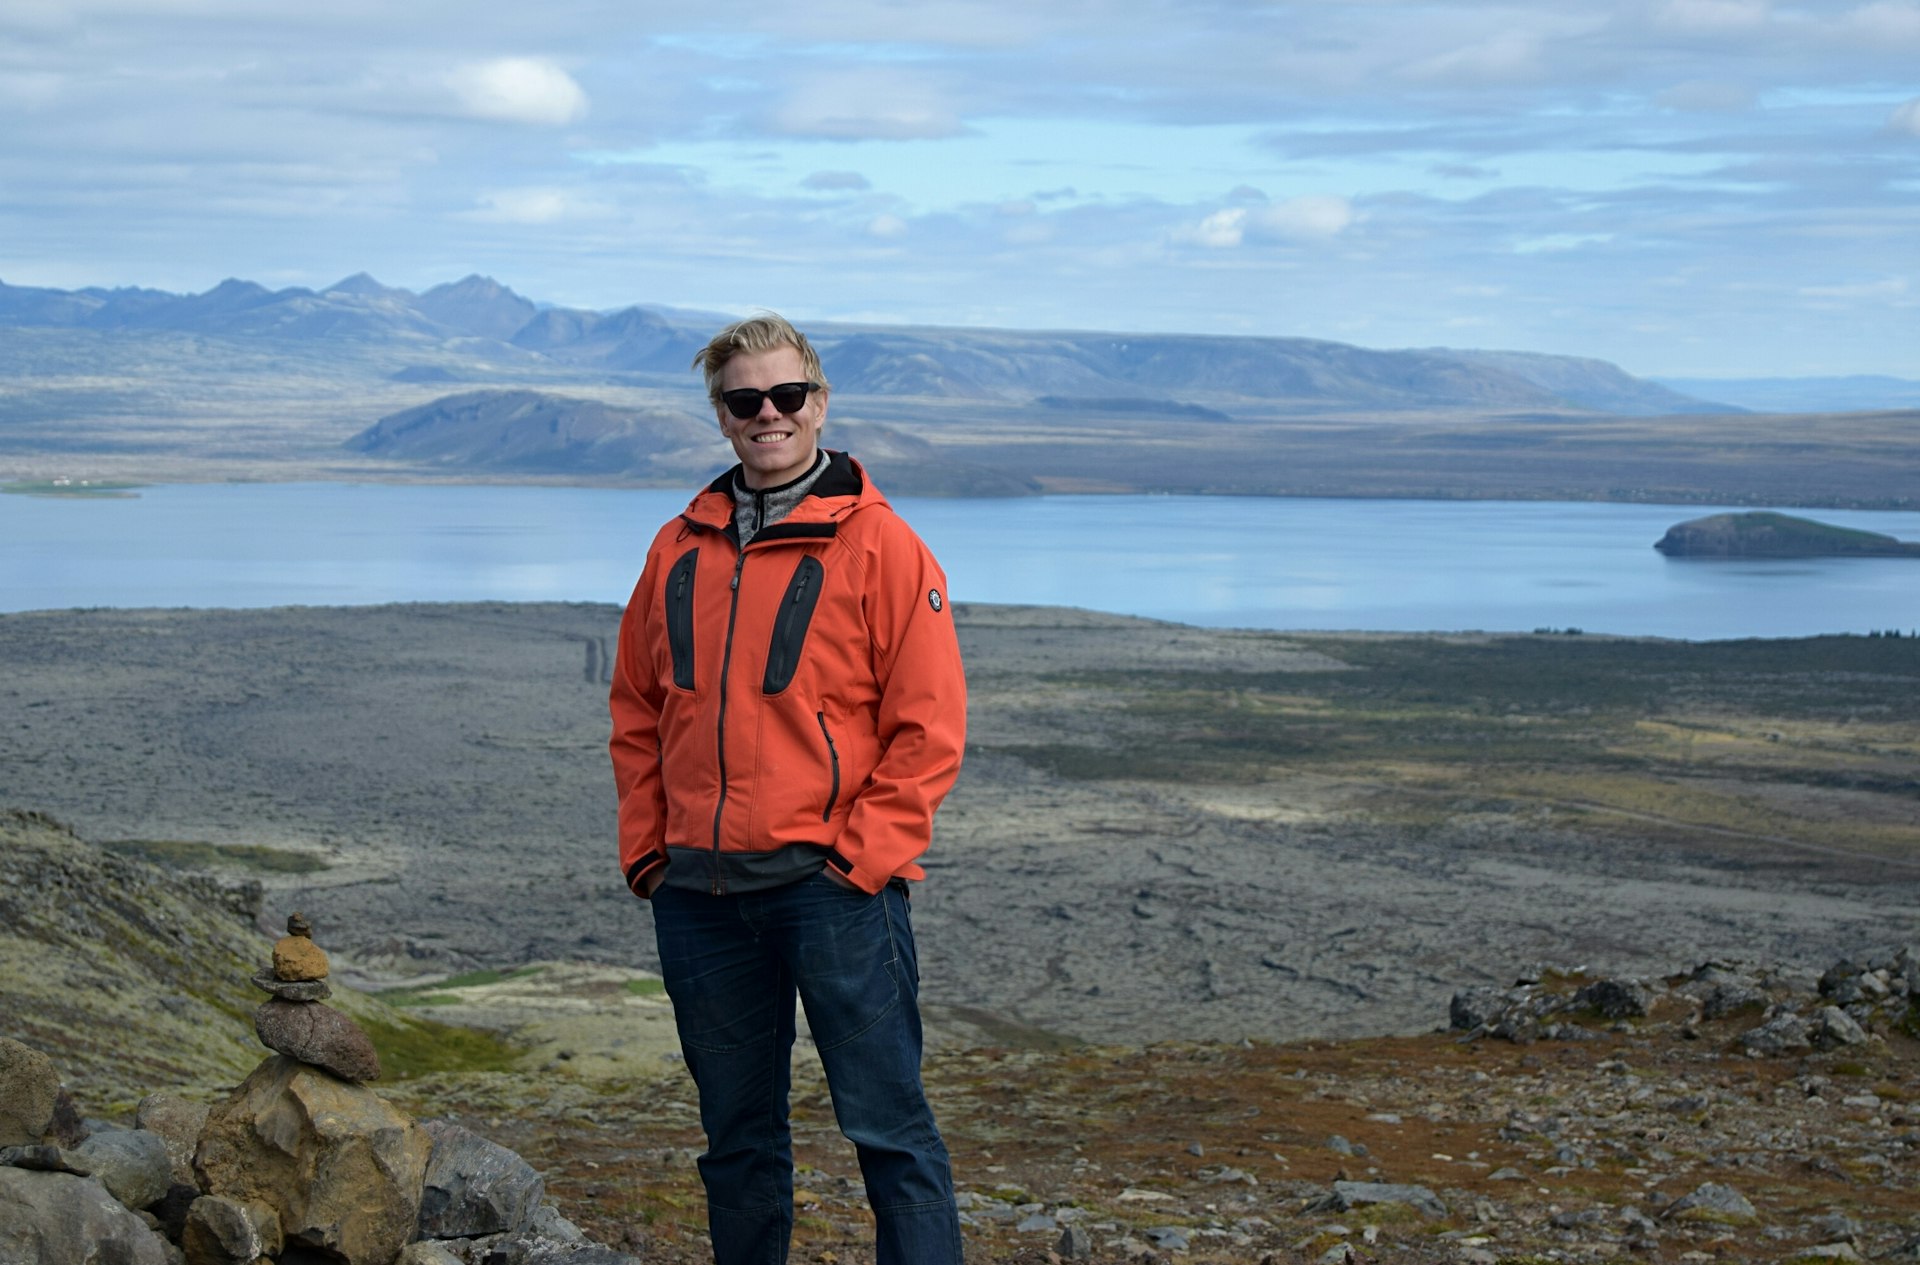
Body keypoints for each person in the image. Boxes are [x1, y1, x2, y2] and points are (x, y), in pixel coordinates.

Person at [608, 312, 968, 1265]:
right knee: (737, 1146)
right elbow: (637, 706)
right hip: (699, 893)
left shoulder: (883, 545)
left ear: (819, 401)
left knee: (890, 1135)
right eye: (744, 400)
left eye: (786, 396)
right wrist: (650, 849)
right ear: (721, 415)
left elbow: (928, 727)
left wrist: (859, 862)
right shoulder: (677, 545)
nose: (768, 414)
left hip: (831, 889)